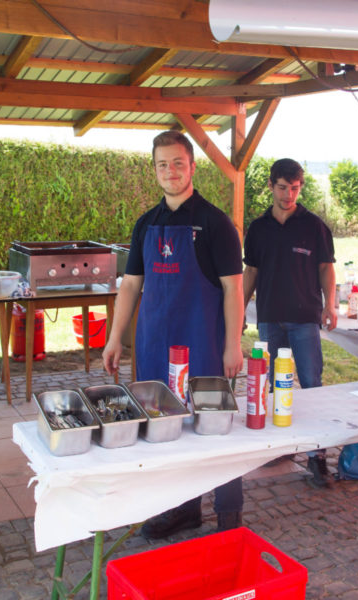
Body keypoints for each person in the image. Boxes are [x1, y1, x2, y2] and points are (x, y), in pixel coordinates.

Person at [103, 130, 244, 538]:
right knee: (162, 426)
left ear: (192, 166)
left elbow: (233, 289)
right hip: (152, 344)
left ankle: (229, 513)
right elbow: (130, 286)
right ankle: (181, 509)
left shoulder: (216, 223)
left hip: (202, 342)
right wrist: (115, 339)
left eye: (178, 163)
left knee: (212, 428)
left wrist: (232, 345)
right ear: (154, 170)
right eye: (162, 164)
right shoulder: (146, 224)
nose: (170, 171)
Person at [242, 158, 337, 487]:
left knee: (312, 385)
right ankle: (277, 448)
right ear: (271, 185)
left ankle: (317, 457)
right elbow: (250, 271)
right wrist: (239, 308)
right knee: (268, 387)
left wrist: (331, 305)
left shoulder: (314, 226)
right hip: (268, 317)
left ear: (301, 187)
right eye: (283, 187)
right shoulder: (257, 228)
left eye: (295, 188)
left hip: (305, 318)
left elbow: (326, 268)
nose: (288, 195)